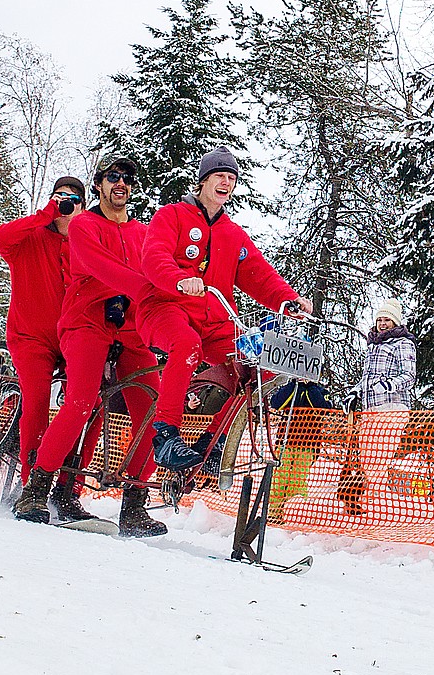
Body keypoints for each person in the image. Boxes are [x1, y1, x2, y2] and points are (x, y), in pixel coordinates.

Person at [11, 161, 165, 536]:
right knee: (80, 400)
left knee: (156, 412)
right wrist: (143, 286)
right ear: (99, 185)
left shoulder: (143, 234)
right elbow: (98, 267)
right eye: (113, 177)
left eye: (128, 179)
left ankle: (134, 503)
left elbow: (162, 272)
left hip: (130, 329)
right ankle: (37, 487)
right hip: (87, 323)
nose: (122, 184)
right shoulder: (83, 225)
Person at [137, 146, 312, 472]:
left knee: (258, 363)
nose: (226, 183)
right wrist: (178, 279)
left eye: (231, 178)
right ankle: (165, 435)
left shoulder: (232, 234)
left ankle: (213, 443)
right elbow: (153, 256)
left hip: (214, 321)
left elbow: (260, 276)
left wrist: (288, 300)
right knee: (185, 343)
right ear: (203, 180)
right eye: (220, 175)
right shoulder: (171, 216)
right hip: (165, 308)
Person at [0, 174, 93, 523]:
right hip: (30, 336)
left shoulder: (85, 245)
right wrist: (45, 214)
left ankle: (69, 487)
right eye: (59, 198)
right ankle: (29, 488)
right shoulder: (29, 237)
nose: (66, 205)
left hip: (71, 337)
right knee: (35, 400)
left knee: (89, 402)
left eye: (73, 201)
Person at [345, 298, 417, 513]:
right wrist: (355, 392)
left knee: (379, 458)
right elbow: (368, 378)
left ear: (395, 322)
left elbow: (409, 376)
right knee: (367, 460)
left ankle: (376, 507)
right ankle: (368, 504)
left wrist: (387, 385)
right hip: (370, 409)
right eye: (379, 319)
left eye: (387, 319)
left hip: (391, 408)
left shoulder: (403, 343)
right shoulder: (374, 345)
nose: (382, 323)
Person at [266, 379, 335, 522]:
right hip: (285, 442)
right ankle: (274, 512)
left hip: (308, 445)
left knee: (298, 480)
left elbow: (323, 407)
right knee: (279, 477)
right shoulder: (290, 388)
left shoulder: (321, 391)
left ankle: (294, 512)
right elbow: (276, 403)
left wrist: (310, 386)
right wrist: (293, 384)